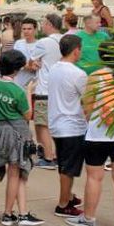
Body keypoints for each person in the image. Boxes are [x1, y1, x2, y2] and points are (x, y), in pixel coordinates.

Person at [66, 43, 114, 226]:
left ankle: (89, 218)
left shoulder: (96, 77)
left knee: (94, 178)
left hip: (98, 134)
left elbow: (87, 105)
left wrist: (92, 118)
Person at [0, 50, 44, 226]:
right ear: (18, 69)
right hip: (15, 134)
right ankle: (8, 213)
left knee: (16, 173)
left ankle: (22, 212)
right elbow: (28, 115)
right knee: (16, 172)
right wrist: (28, 91)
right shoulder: (17, 90)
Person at [48, 34, 88, 219]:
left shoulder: (54, 68)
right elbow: (88, 99)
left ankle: (68, 197)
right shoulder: (78, 74)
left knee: (65, 165)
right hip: (72, 125)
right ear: (76, 50)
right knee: (68, 168)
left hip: (56, 123)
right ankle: (63, 204)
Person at [31, 14, 63, 169]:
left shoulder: (43, 42)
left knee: (42, 124)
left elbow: (31, 62)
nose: (42, 26)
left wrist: (36, 63)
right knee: (55, 124)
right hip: (60, 88)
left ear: (50, 24)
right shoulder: (65, 40)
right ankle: (56, 154)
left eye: (43, 23)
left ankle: (48, 157)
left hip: (44, 88)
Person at [11, 18, 38, 90]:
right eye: (24, 29)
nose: (26, 31)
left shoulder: (40, 45)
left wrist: (23, 65)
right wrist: (29, 66)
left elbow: (39, 65)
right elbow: (14, 61)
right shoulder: (18, 43)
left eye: (29, 29)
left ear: (35, 30)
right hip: (19, 82)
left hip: (34, 84)